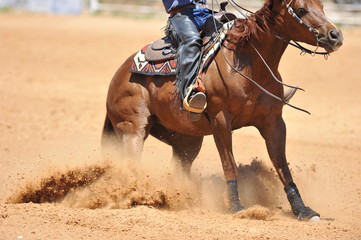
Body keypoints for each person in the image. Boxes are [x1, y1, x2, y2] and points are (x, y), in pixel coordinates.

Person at [162, 0, 212, 112]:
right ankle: (189, 95)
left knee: (232, 31)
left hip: (205, 12)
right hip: (181, 15)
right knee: (192, 42)